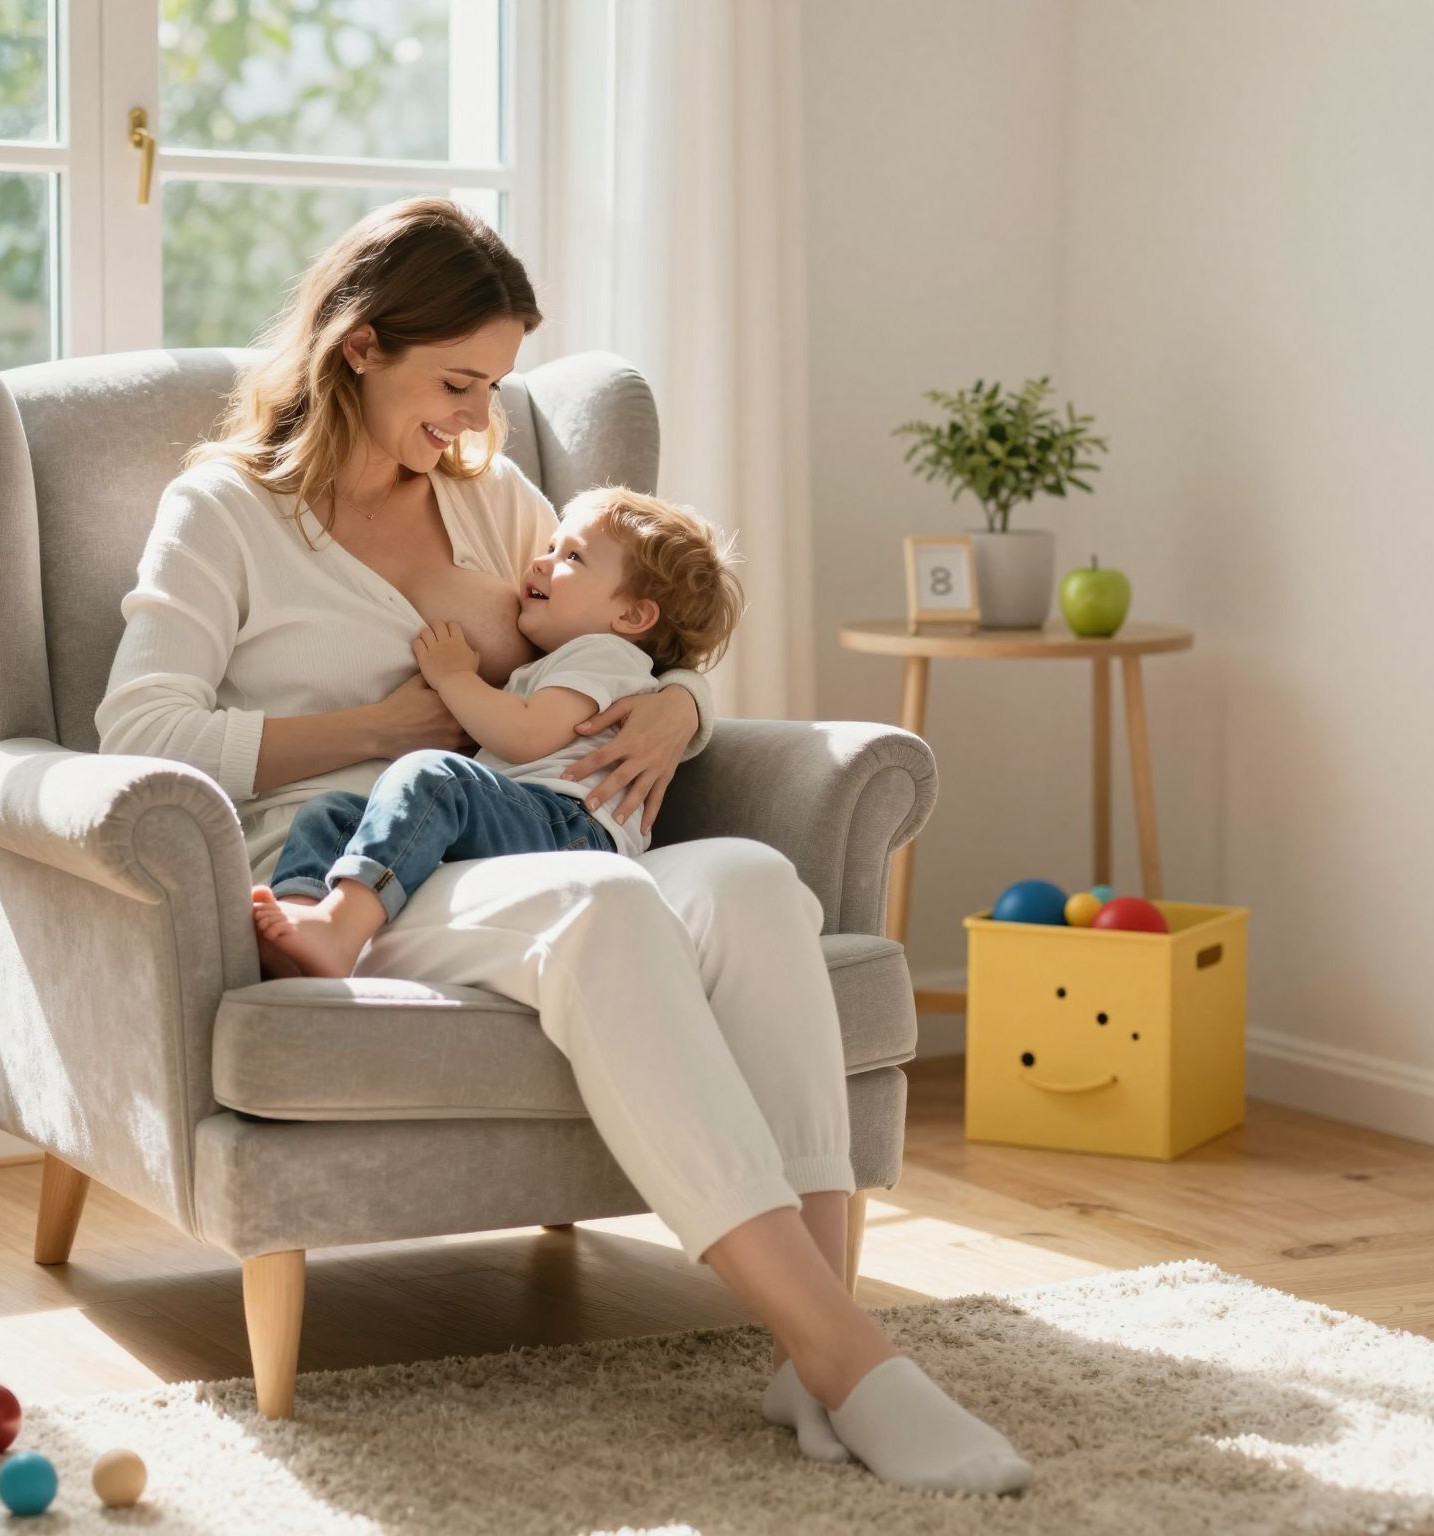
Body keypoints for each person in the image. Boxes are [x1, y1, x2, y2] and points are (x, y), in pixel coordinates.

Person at [95, 197, 1031, 1497]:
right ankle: (848, 1360)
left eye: (495, 389)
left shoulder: (487, 497)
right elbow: (137, 729)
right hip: (361, 859)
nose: (478, 421)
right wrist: (376, 725)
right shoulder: (229, 512)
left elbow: (633, 621)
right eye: (456, 383)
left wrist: (677, 705)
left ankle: (809, 1353)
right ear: (359, 347)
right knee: (603, 909)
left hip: (531, 824)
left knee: (757, 882)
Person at [254, 486, 743, 980]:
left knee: (433, 778)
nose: (540, 562)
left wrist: (454, 678)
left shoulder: (607, 656)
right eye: (551, 546)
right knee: (332, 812)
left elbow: (525, 736)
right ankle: (298, 923)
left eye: (572, 556)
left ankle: (341, 929)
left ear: (633, 616)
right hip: (529, 815)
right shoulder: (570, 660)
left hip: (570, 825)